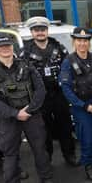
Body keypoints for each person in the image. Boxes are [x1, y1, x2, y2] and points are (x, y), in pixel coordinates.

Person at [0, 32, 59, 183]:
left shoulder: (27, 65)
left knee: (40, 150)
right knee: (10, 156)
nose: (5, 49)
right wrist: (15, 114)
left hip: (31, 115)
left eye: (8, 46)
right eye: (1, 47)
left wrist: (29, 110)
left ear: (12, 47)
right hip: (8, 119)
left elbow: (41, 90)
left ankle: (47, 179)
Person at [19, 17, 78, 166]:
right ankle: (47, 159)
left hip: (59, 94)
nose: (40, 33)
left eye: (43, 30)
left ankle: (69, 154)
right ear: (32, 32)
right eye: (36, 30)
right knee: (43, 130)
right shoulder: (25, 51)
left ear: (47, 31)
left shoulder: (58, 47)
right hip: (39, 97)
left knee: (65, 126)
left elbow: (68, 67)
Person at [60, 27, 92, 182]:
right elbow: (66, 88)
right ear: (74, 42)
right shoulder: (68, 62)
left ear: (89, 43)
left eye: (85, 40)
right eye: (79, 40)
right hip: (81, 107)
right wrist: (83, 106)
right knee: (86, 137)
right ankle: (89, 165)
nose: (82, 43)